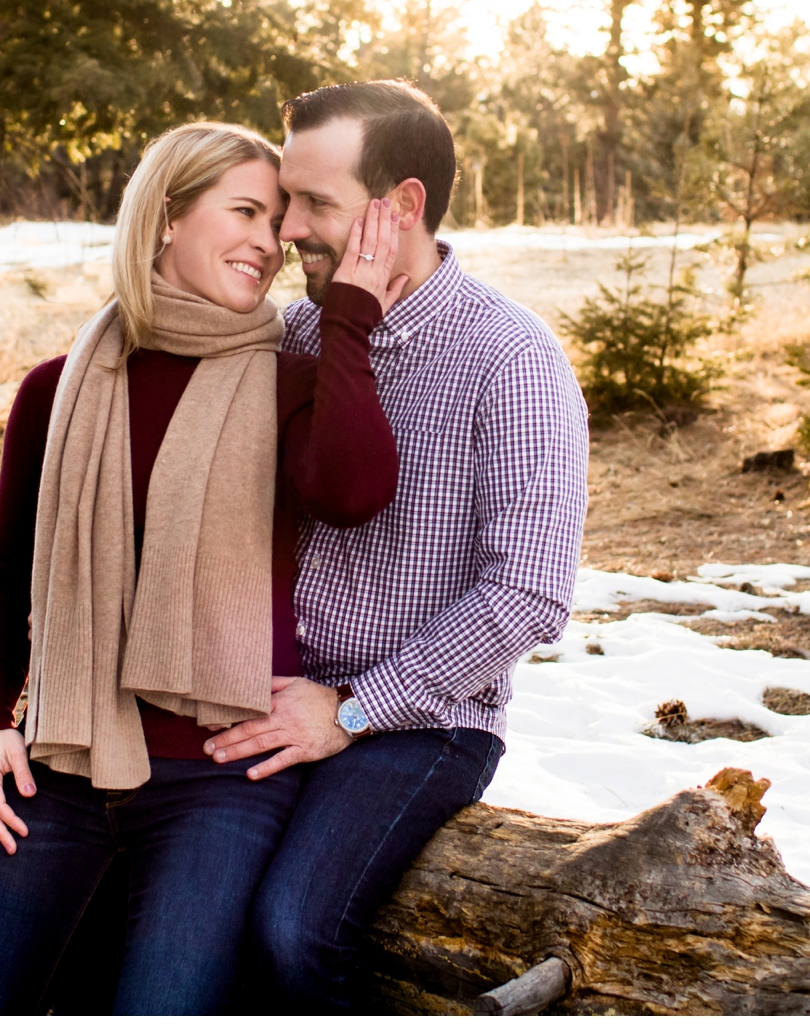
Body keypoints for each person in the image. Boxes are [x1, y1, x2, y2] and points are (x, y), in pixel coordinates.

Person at [0, 121, 407, 1015]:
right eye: (247, 212)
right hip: (61, 763)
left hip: (218, 783)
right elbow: (4, 580)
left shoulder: (287, 382)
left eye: (281, 220)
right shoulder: (57, 391)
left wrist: (349, 312)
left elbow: (353, 488)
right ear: (166, 219)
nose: (272, 241)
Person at [204, 80, 590, 1011]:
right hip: (272, 684)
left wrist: (350, 709)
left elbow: (531, 593)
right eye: (286, 197)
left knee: (294, 926)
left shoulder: (512, 357)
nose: (287, 226)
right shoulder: (299, 327)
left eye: (316, 203)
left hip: (423, 717)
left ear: (403, 205)